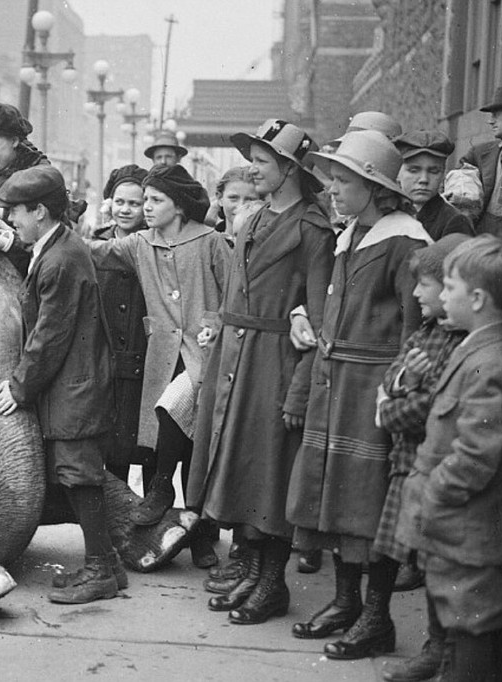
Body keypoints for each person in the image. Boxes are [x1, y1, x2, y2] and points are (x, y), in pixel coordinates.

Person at [287, 130, 431, 652]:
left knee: (370, 503)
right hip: (336, 384)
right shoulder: (351, 235)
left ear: (374, 187)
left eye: (344, 181)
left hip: (374, 389)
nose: (333, 190)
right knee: (336, 497)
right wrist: (304, 317)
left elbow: (417, 332)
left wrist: (399, 389)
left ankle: (377, 616)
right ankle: (346, 601)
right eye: (332, 180)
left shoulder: (406, 240)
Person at [188, 119, 336, 624]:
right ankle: (252, 573)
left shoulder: (313, 229)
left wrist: (301, 388)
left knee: (270, 474)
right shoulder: (251, 219)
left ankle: (273, 584)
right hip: (235, 357)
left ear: (290, 167)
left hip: (275, 362)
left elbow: (317, 318)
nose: (254, 168)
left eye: (264, 161)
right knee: (238, 468)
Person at [0, 165, 121, 604]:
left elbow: (49, 336)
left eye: (15, 211)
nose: (11, 220)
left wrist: (17, 389)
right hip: (76, 381)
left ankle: (99, 573)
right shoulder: (56, 246)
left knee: (79, 475)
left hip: (76, 385)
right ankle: (106, 563)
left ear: (40, 211)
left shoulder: (59, 260)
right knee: (78, 472)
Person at [81, 164, 227, 570]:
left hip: (203, 354)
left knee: (187, 434)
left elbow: (235, 292)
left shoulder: (211, 242)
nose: (146, 207)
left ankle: (173, 502)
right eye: (144, 200)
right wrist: (15, 240)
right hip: (161, 356)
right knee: (174, 428)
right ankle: (180, 520)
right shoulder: (139, 244)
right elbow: (92, 253)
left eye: (155, 200)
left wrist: (215, 324)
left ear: (178, 206)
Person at [396, 235, 502, 681]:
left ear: (477, 298)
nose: (440, 294)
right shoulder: (479, 349)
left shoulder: (488, 363)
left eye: (447, 286)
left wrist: (428, 501)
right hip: (464, 534)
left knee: (472, 649)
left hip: (469, 534)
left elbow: (474, 457)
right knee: (468, 637)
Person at [372, 234, 470, 682]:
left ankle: (441, 647)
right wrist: (400, 386)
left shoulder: (459, 343)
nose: (415, 294)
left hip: (431, 465)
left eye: (426, 285)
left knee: (438, 566)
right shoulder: (427, 332)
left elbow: (426, 406)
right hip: (407, 462)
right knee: (414, 556)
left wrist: (389, 406)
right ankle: (432, 644)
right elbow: (396, 377)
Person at [89, 165, 150, 486]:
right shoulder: (96, 241)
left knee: (145, 444)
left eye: (134, 203)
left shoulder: (152, 244)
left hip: (144, 353)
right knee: (111, 448)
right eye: (119, 201)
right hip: (106, 354)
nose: (125, 209)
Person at [459, 86, 502, 240]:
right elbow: (457, 181)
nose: (490, 121)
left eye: (495, 115)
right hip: (484, 236)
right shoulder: (479, 153)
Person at [394, 131, 474, 240]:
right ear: (397, 173)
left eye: (434, 171)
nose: (424, 179)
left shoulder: (454, 222)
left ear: (443, 174)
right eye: (414, 170)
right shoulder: (387, 211)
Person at [206, 166, 260, 238]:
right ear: (220, 198)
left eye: (249, 199)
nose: (241, 206)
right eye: (233, 198)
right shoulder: (208, 243)